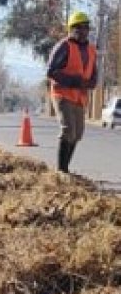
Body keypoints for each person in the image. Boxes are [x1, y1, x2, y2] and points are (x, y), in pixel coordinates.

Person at [47, 10, 97, 173]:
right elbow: (51, 71)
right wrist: (73, 81)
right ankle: (61, 171)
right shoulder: (64, 46)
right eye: (78, 28)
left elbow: (93, 73)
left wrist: (90, 83)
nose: (82, 31)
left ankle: (65, 168)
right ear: (71, 29)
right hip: (62, 94)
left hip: (79, 97)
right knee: (68, 130)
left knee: (78, 134)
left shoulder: (91, 50)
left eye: (85, 28)